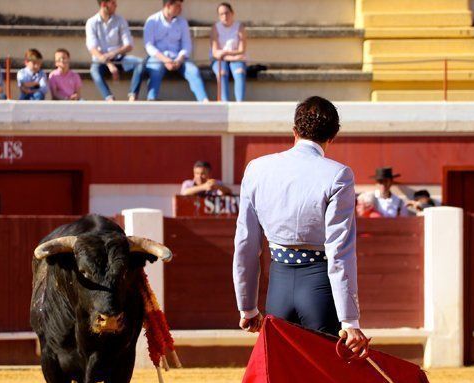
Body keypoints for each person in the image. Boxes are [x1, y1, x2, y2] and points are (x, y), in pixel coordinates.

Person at [233, 96, 370, 358]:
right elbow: (339, 250)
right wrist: (350, 320)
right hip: (319, 288)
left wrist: (247, 306)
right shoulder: (338, 174)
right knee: (324, 382)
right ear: (333, 136)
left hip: (278, 287)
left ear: (294, 132)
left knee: (282, 382)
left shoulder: (257, 169)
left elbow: (245, 244)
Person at [143, 0, 209, 102]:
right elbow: (149, 46)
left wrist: (179, 59)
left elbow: (187, 44)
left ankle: (204, 100)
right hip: (159, 57)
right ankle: (151, 99)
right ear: (168, 5)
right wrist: (165, 60)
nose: (181, 9)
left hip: (178, 57)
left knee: (193, 71)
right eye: (178, 6)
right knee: (155, 70)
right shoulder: (152, 20)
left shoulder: (182, 22)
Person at [86, 0, 145, 101]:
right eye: (113, 3)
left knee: (140, 63)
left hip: (119, 58)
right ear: (104, 4)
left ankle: (132, 96)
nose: (116, 5)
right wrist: (109, 64)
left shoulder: (120, 20)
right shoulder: (91, 22)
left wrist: (113, 53)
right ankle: (109, 98)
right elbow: (92, 48)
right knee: (94, 70)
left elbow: (129, 45)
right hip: (101, 61)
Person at [211, 2, 247, 102]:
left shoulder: (239, 27)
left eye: (227, 13)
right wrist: (231, 57)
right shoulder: (215, 28)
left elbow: (241, 50)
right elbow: (215, 53)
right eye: (221, 14)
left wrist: (225, 54)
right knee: (221, 73)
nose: (225, 16)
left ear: (232, 13)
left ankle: (240, 103)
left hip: (235, 59)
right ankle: (224, 102)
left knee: (239, 72)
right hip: (221, 60)